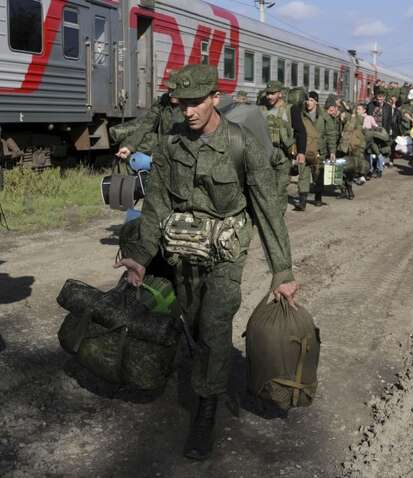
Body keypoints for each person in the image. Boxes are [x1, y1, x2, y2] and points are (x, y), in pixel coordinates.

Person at [114, 64, 298, 461]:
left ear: (215, 97)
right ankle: (205, 366)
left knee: (214, 323)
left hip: (226, 251)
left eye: (196, 102)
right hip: (184, 247)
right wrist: (142, 257)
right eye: (182, 104)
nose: (189, 111)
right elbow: (157, 204)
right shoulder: (170, 144)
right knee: (194, 320)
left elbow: (267, 209)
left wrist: (282, 271)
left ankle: (206, 412)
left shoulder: (242, 144)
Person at [260, 80, 305, 214]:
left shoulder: (290, 109)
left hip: (283, 154)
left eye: (272, 93)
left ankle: (278, 217)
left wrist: (301, 152)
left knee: (280, 188)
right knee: (267, 188)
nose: (269, 97)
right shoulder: (262, 109)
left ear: (280, 94)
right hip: (265, 154)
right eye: (268, 94)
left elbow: (300, 131)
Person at [294, 91, 327, 211]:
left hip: (318, 150)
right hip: (304, 149)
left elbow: (330, 133)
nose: (308, 102)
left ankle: (318, 198)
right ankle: (302, 202)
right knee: (303, 175)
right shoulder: (301, 115)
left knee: (317, 175)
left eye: (312, 100)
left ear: (316, 102)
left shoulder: (323, 117)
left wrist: (332, 151)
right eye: (307, 100)